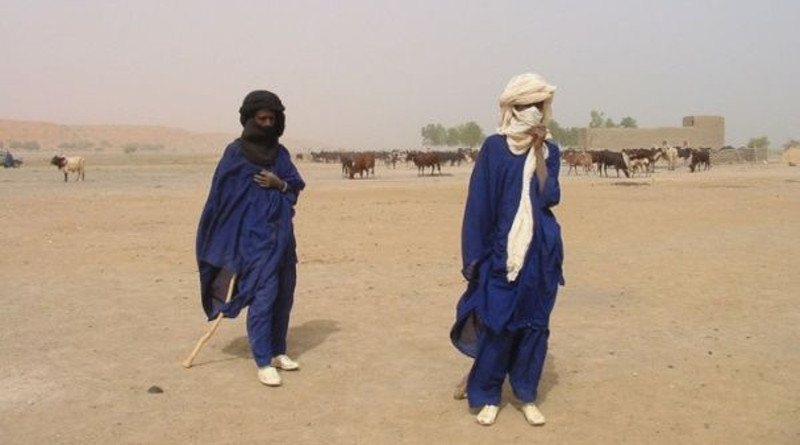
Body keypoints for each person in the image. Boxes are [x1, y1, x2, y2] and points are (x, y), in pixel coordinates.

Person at [450, 73, 564, 426]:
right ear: (513, 109)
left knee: (533, 323)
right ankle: (487, 394)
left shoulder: (550, 150)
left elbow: (550, 196)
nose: (535, 113)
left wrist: (538, 152)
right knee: (496, 323)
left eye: (539, 106)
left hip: (540, 253)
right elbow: (479, 205)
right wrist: (476, 258)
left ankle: (526, 394)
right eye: (528, 106)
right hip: (502, 253)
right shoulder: (495, 148)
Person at [196, 90, 306, 386]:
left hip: (283, 239)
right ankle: (261, 359)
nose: (267, 124)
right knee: (264, 297)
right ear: (249, 119)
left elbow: (295, 188)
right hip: (253, 243)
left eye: (272, 118)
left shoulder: (280, 155)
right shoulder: (235, 154)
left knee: (284, 295)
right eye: (262, 118)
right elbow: (222, 202)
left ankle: (278, 351)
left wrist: (279, 183)